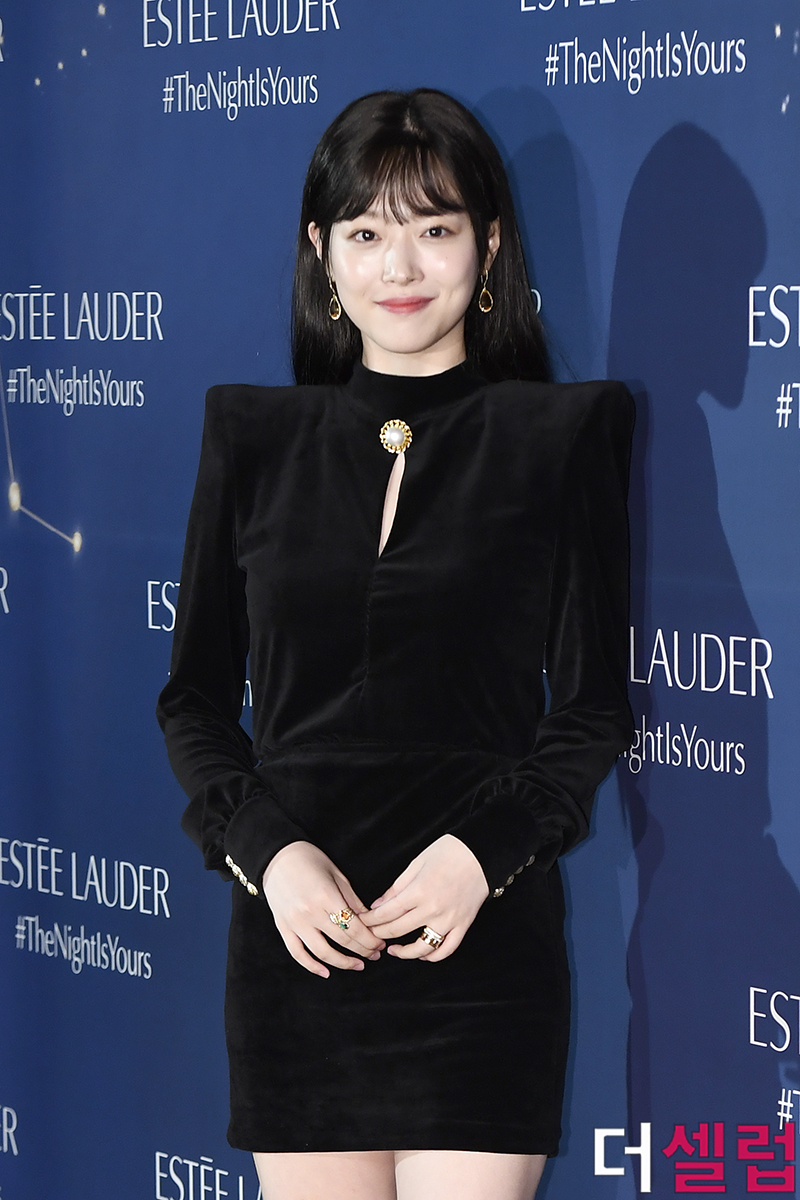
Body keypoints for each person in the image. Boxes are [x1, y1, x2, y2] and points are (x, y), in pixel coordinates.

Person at [157, 88, 634, 1200]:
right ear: (321, 253)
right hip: (298, 945)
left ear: (490, 244)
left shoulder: (561, 437)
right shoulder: (252, 438)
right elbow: (193, 700)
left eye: (435, 227)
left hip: (480, 945)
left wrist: (483, 856)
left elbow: (591, 708)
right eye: (366, 233)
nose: (401, 266)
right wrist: (268, 855)